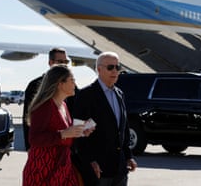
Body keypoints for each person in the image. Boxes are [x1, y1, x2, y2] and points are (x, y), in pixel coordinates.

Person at [73, 51, 137, 186]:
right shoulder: (86, 95)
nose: (115, 71)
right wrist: (90, 160)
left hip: (119, 169)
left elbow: (123, 128)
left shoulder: (120, 94)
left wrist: (128, 156)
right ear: (99, 69)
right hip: (98, 169)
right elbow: (79, 133)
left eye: (117, 67)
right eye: (110, 67)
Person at [22, 64, 93, 186]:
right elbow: (34, 139)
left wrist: (80, 131)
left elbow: (64, 134)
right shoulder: (45, 106)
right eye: (72, 80)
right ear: (60, 84)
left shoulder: (64, 105)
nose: (74, 84)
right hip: (43, 169)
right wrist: (63, 134)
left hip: (62, 166)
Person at [23, 47, 71, 151]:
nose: (64, 65)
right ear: (50, 62)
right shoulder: (35, 85)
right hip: (44, 149)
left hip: (63, 149)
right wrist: (29, 147)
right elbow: (28, 119)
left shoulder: (70, 85)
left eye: (66, 61)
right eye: (60, 61)